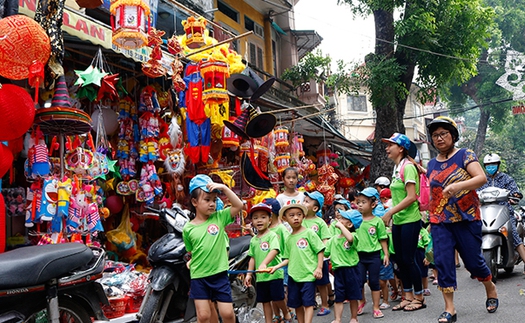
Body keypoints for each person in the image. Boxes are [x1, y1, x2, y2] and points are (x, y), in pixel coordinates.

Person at [426, 116, 498, 323]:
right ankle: (450, 308)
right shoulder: (431, 164)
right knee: (443, 263)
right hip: (440, 221)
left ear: (453, 135)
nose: (439, 138)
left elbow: (481, 178)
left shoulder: (465, 155)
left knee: (474, 263)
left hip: (467, 218)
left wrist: (458, 186)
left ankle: (490, 287)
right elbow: (433, 195)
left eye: (443, 134)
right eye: (435, 135)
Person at [182, 174, 244, 323]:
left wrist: (223, 188)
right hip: (199, 277)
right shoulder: (188, 228)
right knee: (203, 316)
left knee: (228, 314)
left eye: (214, 200)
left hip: (219, 275)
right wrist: (191, 261)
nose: (212, 204)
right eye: (207, 199)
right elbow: (192, 250)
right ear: (194, 202)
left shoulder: (219, 218)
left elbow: (239, 205)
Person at [381, 133, 426, 312]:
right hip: (399, 220)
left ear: (401, 148)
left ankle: (419, 297)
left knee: (408, 258)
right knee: (400, 259)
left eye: (390, 144)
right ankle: (407, 296)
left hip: (410, 219)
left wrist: (390, 212)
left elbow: (411, 197)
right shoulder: (396, 167)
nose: (386, 148)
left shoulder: (407, 167)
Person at [272, 204, 325, 323]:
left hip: (308, 276)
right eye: (292, 215)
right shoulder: (289, 239)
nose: (296, 218)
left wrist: (319, 268)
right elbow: (287, 258)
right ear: (285, 219)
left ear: (303, 217)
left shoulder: (309, 233)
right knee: (297, 305)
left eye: (299, 215)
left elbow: (320, 250)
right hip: (293, 276)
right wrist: (276, 267)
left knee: (308, 304)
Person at [244, 203, 291, 323]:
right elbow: (252, 258)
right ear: (252, 222)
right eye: (255, 218)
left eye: (263, 217)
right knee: (265, 301)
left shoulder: (272, 235)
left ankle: (286, 313)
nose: (259, 220)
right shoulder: (253, 240)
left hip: (274, 273)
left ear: (270, 220)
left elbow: (274, 250)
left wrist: (264, 263)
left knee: (278, 298)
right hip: (261, 277)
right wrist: (249, 274)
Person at [478, 153, 525, 273]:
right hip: (485, 212)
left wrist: (515, 195)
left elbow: (515, 192)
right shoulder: (482, 179)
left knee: (513, 233)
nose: (490, 167)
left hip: (504, 212)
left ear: (498, 165)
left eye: (493, 164)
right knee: (473, 234)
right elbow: (475, 192)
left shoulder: (506, 179)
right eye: (488, 165)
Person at [355, 188, 389, 319]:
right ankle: (361, 301)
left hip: (374, 255)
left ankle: (376, 307)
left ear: (373, 204)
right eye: (358, 202)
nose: (360, 205)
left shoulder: (377, 221)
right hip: (359, 256)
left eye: (364, 202)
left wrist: (386, 254)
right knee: (359, 281)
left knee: (374, 281)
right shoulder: (356, 221)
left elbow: (382, 239)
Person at [324, 209, 363, 323]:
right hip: (338, 271)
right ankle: (337, 319)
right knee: (339, 297)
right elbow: (325, 253)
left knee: (353, 296)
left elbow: (350, 238)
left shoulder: (354, 236)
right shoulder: (333, 240)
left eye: (342, 219)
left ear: (350, 224)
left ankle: (354, 317)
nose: (338, 220)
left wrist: (341, 227)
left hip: (352, 270)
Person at [302, 191, 332, 316]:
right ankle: (312, 302)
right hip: (305, 258)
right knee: (309, 281)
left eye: (307, 202)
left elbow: (326, 238)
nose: (303, 203)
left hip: (319, 259)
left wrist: (324, 254)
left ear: (315, 208)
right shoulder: (300, 220)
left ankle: (325, 304)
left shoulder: (319, 222)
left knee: (322, 283)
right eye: (304, 200)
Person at [263, 198, 292, 322]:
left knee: (280, 293)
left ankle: (287, 312)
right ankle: (277, 315)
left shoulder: (281, 229)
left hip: (281, 264)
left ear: (272, 214)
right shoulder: (266, 229)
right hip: (269, 265)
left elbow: (288, 246)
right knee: (272, 293)